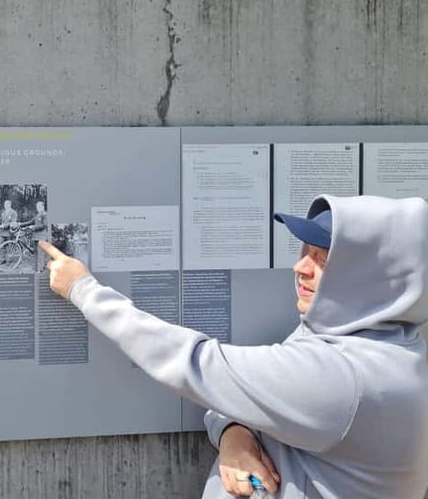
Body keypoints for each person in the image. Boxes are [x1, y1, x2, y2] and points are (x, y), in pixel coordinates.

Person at [40, 195, 428, 498]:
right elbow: (234, 396)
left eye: (322, 260)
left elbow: (198, 365)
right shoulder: (370, 342)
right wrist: (235, 436)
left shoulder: (346, 378)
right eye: (304, 252)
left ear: (367, 279)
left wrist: (83, 290)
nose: (300, 268)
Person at [20, 200, 48, 271]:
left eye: (39, 207)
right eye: (37, 207)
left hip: (41, 237)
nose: (37, 208)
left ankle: (40, 269)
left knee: (40, 253)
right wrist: (20, 224)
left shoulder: (45, 214)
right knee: (35, 252)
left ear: (42, 206)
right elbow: (30, 222)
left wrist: (33, 227)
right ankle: (35, 268)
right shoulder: (37, 215)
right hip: (35, 237)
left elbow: (44, 225)